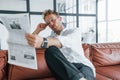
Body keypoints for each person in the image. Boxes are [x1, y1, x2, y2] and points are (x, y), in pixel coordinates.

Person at [25, 9, 96, 80]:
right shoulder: (50, 38)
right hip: (64, 70)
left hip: (82, 66)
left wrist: (44, 41)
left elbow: (67, 41)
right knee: (50, 50)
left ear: (60, 19)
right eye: (48, 23)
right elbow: (30, 45)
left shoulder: (74, 31)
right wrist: (38, 30)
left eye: (52, 20)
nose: (51, 24)